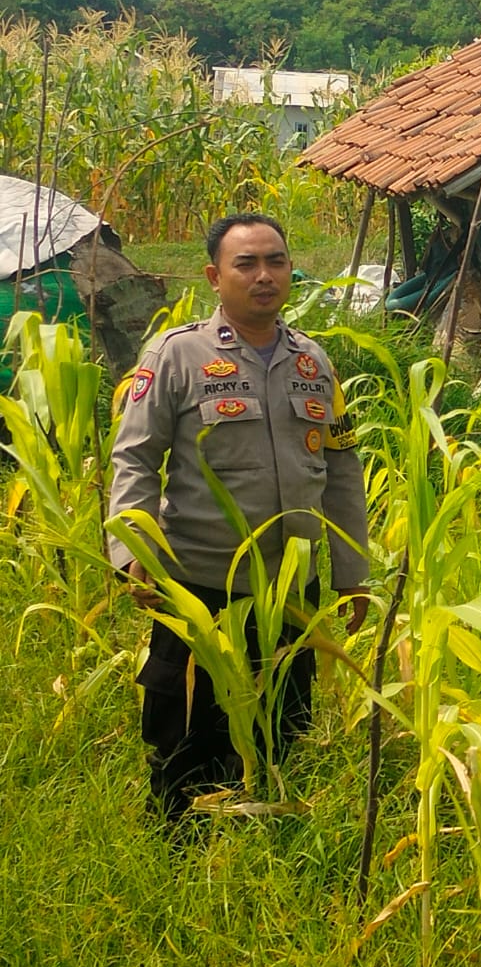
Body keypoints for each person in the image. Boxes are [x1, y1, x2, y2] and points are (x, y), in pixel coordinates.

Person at [107, 213, 370, 823]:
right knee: (187, 734)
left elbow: (342, 469)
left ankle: (269, 841)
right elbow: (135, 459)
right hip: (201, 584)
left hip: (292, 589)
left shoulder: (314, 363)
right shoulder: (177, 355)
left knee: (284, 726)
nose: (264, 276)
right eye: (245, 264)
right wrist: (135, 553)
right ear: (214, 276)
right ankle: (179, 843)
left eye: (275, 261)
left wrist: (353, 574)